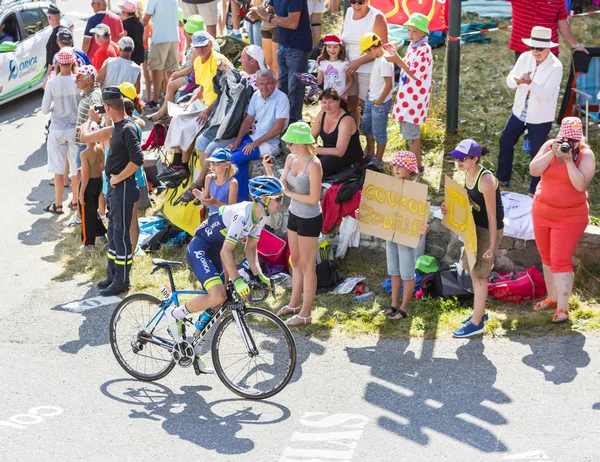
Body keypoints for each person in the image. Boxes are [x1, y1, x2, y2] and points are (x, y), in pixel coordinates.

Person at [164, 176, 285, 372]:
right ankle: (176, 313)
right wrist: (237, 280)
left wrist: (259, 274)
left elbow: (251, 248)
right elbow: (226, 252)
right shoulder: (242, 214)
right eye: (278, 198)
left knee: (220, 301)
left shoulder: (261, 216)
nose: (281, 203)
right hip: (201, 249)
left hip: (218, 251)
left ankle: (195, 349)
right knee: (217, 295)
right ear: (264, 198)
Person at [529, 117, 595, 323]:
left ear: (580, 139)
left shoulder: (586, 155)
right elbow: (534, 170)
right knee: (546, 257)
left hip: (570, 216)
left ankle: (563, 309)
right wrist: (552, 152)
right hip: (542, 211)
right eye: (566, 139)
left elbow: (580, 185)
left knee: (560, 260)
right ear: (559, 136)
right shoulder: (550, 145)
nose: (570, 143)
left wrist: (568, 160)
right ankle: (552, 298)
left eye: (574, 140)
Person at [356, 151, 428, 320]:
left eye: (400, 166)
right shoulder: (390, 188)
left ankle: (405, 307)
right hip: (390, 233)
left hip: (406, 236)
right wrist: (363, 214)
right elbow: (379, 208)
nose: (396, 169)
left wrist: (424, 226)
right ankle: (394, 304)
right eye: (394, 165)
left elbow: (420, 214)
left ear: (410, 169)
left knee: (407, 273)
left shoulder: (415, 191)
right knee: (394, 271)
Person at [444, 140, 504, 338]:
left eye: (463, 158)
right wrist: (449, 210)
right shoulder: (468, 174)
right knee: (471, 268)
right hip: (474, 228)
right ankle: (479, 314)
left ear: (475, 159)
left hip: (488, 229)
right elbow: (468, 204)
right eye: (457, 158)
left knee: (479, 275)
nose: (458, 161)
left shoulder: (485, 179)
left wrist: (492, 248)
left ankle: (477, 323)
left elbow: (493, 216)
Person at [497, 26, 563, 195]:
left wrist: (529, 83)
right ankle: (502, 177)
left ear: (548, 48)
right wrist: (518, 80)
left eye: (539, 48)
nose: (535, 51)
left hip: (540, 116)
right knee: (505, 141)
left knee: (537, 152)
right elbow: (509, 80)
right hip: (519, 111)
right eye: (532, 47)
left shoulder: (556, 66)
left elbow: (547, 95)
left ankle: (535, 188)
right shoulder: (525, 57)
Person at [269, 122, 323, 326]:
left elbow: (314, 198)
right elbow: (282, 181)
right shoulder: (291, 159)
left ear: (301, 143)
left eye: (291, 142)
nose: (288, 146)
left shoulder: (314, 164)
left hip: (309, 218)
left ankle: (306, 314)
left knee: (309, 266)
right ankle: (294, 303)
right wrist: (270, 173)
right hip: (294, 214)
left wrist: (289, 193)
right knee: (296, 261)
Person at [159, 32, 231, 182]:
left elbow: (225, 92)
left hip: (217, 107)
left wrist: (208, 109)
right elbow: (202, 88)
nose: (200, 49)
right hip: (204, 103)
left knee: (192, 125)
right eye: (197, 47)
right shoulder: (198, 62)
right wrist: (190, 102)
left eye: (203, 46)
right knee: (177, 118)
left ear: (210, 44)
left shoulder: (218, 61)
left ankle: (183, 166)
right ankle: (177, 163)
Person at [96, 87, 144, 296]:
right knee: (113, 233)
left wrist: (118, 177)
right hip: (116, 188)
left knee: (122, 234)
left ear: (108, 107)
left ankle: (122, 281)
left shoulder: (127, 128)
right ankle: (113, 274)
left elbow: (137, 159)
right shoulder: (117, 126)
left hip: (124, 187)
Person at [225, 69, 290, 201]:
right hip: (255, 137)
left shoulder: (281, 98)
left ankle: (237, 199)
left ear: (275, 83)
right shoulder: (256, 95)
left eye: (268, 84)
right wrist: (238, 141)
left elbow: (277, 129)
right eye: (261, 84)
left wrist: (254, 144)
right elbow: (248, 119)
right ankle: (240, 198)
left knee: (235, 159)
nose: (264, 87)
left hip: (270, 144)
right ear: (256, 83)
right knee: (226, 155)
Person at [248, 0, 313, 123]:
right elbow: (271, 9)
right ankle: (281, 121)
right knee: (282, 87)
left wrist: (268, 17)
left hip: (298, 47)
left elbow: (293, 22)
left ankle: (293, 124)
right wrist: (260, 12)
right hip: (283, 45)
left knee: (295, 89)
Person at [388, 13, 433, 172]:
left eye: (415, 31)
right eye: (409, 30)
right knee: (409, 135)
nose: (410, 34)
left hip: (414, 100)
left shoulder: (424, 49)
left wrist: (397, 60)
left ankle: (416, 167)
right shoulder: (414, 47)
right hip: (408, 97)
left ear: (423, 32)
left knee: (413, 136)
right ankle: (413, 163)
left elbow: (415, 73)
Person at [62, 65, 103, 227]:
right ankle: (98, 213)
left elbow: (98, 115)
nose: (76, 81)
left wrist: (86, 128)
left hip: (86, 145)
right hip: (84, 143)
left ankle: (81, 216)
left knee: (84, 183)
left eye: (78, 79)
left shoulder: (95, 96)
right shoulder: (87, 92)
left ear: (88, 81)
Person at [42, 48, 81, 215]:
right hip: (74, 128)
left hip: (57, 128)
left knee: (58, 169)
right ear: (72, 62)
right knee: (74, 168)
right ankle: (75, 201)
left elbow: (44, 110)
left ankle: (58, 204)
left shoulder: (51, 83)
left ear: (58, 63)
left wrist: (54, 105)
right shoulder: (78, 81)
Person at [341, 0, 387, 124]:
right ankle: (353, 136)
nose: (356, 5)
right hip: (348, 67)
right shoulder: (349, 12)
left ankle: (370, 141)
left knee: (365, 104)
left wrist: (358, 62)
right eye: (353, 1)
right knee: (349, 105)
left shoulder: (377, 17)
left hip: (369, 68)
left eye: (360, 2)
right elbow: (343, 39)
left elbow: (382, 50)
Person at [509, 0, 588, 59]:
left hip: (542, 49)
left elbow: (562, 23)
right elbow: (562, 24)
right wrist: (575, 45)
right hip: (534, 49)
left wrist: (575, 45)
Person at [310, 88, 362, 176]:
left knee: (316, 166)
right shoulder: (322, 114)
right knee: (303, 159)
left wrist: (314, 149)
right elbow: (310, 137)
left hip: (346, 157)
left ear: (338, 102)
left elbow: (339, 151)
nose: (327, 106)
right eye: (324, 103)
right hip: (327, 153)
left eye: (331, 102)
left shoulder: (346, 120)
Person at [359, 33, 394, 164]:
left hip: (379, 103)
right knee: (366, 126)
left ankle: (378, 161)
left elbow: (389, 84)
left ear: (372, 48)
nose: (368, 54)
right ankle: (370, 153)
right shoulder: (378, 59)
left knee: (379, 132)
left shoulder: (384, 61)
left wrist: (380, 100)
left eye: (367, 51)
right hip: (371, 98)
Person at [143, 0, 180, 110]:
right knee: (171, 70)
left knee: (156, 69)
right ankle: (171, 99)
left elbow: (145, 20)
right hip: (173, 37)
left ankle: (155, 101)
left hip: (160, 38)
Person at [77, 121, 107, 251]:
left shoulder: (84, 154)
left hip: (88, 185)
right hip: (98, 183)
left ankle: (88, 243)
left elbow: (85, 176)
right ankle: (101, 233)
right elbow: (101, 167)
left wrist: (81, 193)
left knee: (86, 214)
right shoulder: (100, 148)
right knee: (93, 210)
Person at [202, 148, 239, 216]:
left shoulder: (232, 183)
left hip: (226, 220)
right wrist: (202, 197)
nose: (212, 165)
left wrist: (215, 202)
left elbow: (232, 208)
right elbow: (206, 200)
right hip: (211, 217)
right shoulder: (208, 178)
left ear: (227, 165)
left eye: (216, 163)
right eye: (211, 162)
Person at [120, 0, 145, 66]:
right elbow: (144, 37)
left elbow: (123, 38)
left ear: (125, 12)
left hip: (129, 53)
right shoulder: (141, 22)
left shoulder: (124, 23)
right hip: (139, 52)